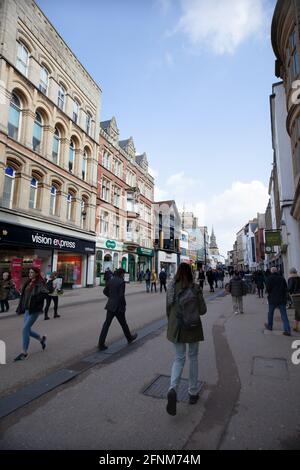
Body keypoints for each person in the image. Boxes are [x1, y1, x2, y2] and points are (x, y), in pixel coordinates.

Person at [166, 263, 207, 416]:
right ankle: (193, 392)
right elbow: (203, 311)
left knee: (178, 359)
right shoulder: (195, 288)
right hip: (193, 326)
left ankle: (173, 388)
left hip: (176, 327)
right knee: (193, 358)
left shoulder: (171, 287)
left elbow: (168, 309)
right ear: (190, 273)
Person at [98, 268, 137, 351]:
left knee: (106, 325)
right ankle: (129, 338)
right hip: (118, 307)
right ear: (121, 274)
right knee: (123, 324)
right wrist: (124, 305)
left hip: (110, 305)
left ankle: (101, 343)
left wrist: (111, 297)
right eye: (123, 274)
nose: (124, 275)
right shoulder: (121, 282)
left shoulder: (111, 280)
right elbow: (121, 296)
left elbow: (105, 291)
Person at [14, 268, 48, 361]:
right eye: (29, 272)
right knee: (27, 330)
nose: (29, 274)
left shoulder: (40, 283)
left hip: (34, 310)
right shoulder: (28, 282)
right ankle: (41, 339)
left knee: (25, 329)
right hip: (27, 309)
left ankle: (24, 352)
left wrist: (36, 300)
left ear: (36, 274)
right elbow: (24, 295)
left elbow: (45, 294)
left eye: (32, 272)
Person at [265, 267, 291, 336]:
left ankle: (270, 326)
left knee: (270, 313)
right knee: (284, 315)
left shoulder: (269, 278)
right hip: (281, 299)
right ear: (277, 271)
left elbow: (267, 289)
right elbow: (286, 288)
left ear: (271, 272)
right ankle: (287, 330)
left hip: (272, 299)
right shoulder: (282, 278)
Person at [288, 267, 300, 333]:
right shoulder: (299, 277)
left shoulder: (291, 278)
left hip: (295, 296)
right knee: (297, 311)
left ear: (291, 272)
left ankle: (296, 326)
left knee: (298, 311)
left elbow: (290, 288)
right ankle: (295, 326)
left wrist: (288, 292)